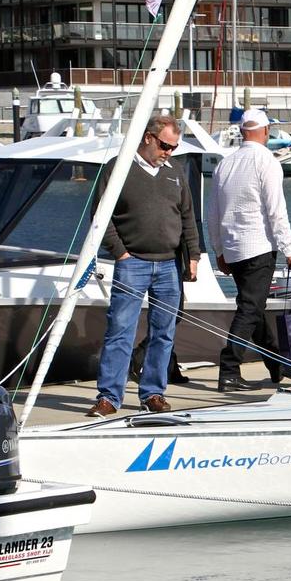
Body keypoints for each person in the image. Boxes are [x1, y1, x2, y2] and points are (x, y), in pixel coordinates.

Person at [86, 114, 200, 417]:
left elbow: (187, 216)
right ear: (148, 137)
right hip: (132, 263)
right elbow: (100, 214)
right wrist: (120, 252)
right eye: (165, 145)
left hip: (169, 266)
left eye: (174, 147)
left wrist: (194, 255)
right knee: (120, 330)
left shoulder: (175, 171)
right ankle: (109, 396)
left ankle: (153, 393)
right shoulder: (119, 168)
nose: (169, 152)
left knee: (163, 333)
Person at [208, 109, 291, 392]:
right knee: (250, 309)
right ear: (264, 131)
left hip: (234, 249)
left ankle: (277, 364)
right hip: (259, 246)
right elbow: (276, 212)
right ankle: (228, 369)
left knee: (254, 308)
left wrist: (219, 250)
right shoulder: (268, 162)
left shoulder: (225, 164)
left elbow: (212, 213)